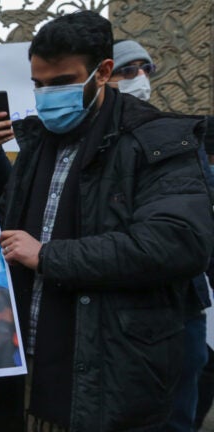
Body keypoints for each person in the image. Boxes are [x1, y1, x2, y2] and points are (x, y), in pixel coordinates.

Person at [0, 11, 213, 430]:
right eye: (38, 84)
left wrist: (49, 256)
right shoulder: (35, 141)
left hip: (108, 369)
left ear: (102, 72)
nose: (47, 95)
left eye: (62, 82)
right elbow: (14, 220)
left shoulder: (158, 141)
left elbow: (178, 242)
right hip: (26, 363)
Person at [109, 38, 214, 432]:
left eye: (145, 69)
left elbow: (192, 231)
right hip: (118, 307)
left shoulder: (176, 137)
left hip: (177, 305)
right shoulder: (89, 143)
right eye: (127, 70)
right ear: (103, 75)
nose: (140, 78)